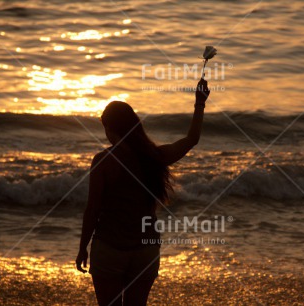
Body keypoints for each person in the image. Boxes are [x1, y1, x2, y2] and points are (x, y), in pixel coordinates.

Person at [76, 78, 210, 306]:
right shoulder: (154, 157)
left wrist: (82, 248)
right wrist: (199, 103)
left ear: (110, 128)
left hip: (110, 248)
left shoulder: (103, 161)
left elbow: (93, 209)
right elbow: (192, 140)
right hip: (145, 252)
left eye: (105, 128)